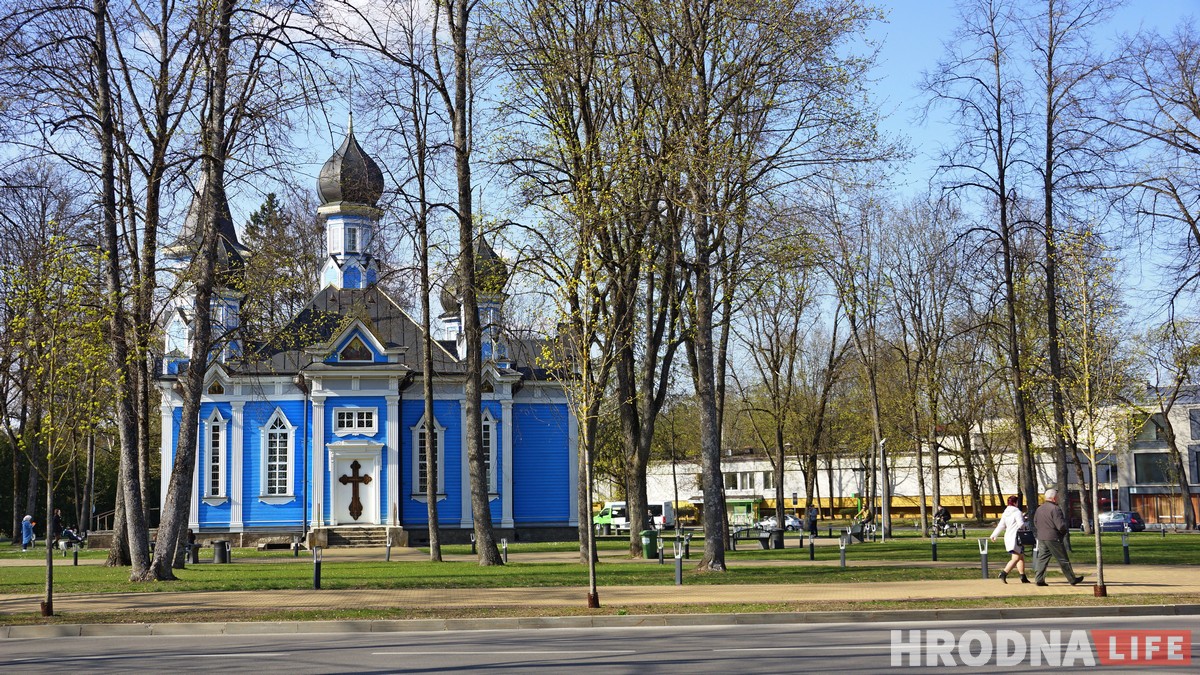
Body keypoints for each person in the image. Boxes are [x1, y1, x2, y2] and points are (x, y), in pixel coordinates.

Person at [1033, 488, 1085, 586]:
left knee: (1042, 558)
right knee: (1063, 559)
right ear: (1054, 498)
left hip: (1042, 537)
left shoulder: (1039, 509)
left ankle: (1039, 579)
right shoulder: (1055, 509)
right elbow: (1060, 525)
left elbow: (1035, 522)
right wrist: (1063, 532)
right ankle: (1072, 579)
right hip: (1053, 537)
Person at [990, 495, 1029, 584]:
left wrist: (994, 535)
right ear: (1015, 503)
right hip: (1016, 537)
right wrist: (1026, 523)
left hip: (1008, 536)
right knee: (1016, 557)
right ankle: (1004, 573)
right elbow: (1021, 525)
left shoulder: (1005, 513)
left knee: (1020, 557)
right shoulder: (1017, 512)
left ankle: (1023, 576)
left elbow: (1001, 525)